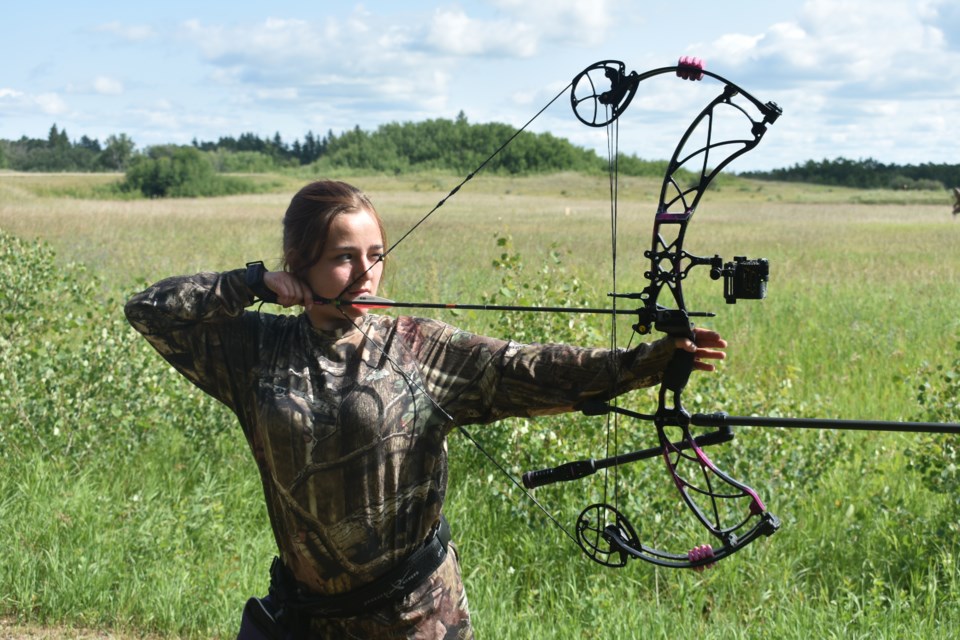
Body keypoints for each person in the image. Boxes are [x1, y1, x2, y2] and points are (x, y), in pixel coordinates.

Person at [124, 180, 727, 639]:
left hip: (416, 617)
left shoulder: (418, 347)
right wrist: (250, 283)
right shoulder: (256, 350)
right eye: (343, 257)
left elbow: (530, 368)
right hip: (308, 617)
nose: (366, 272)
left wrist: (649, 360)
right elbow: (149, 310)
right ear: (298, 263)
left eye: (376, 253)